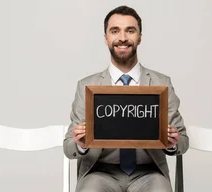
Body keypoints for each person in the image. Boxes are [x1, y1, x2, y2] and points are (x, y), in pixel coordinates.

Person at [63, 5, 189, 192]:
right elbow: (68, 147)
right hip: (99, 172)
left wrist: (172, 144)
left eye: (130, 31)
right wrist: (81, 145)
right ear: (106, 38)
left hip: (149, 173)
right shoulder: (86, 86)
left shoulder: (161, 83)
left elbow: (183, 141)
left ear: (139, 37)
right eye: (115, 31)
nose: (122, 38)